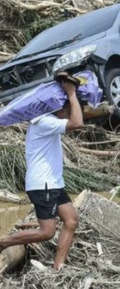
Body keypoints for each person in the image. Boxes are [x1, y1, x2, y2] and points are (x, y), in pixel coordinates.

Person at [0, 79, 84, 271]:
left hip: (52, 183)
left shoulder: (47, 120)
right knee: (47, 232)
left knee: (71, 220)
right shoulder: (44, 122)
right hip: (43, 184)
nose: (69, 113)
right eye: (68, 108)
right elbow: (77, 123)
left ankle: (58, 268)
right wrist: (71, 93)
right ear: (59, 109)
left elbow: (75, 119)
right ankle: (4, 242)